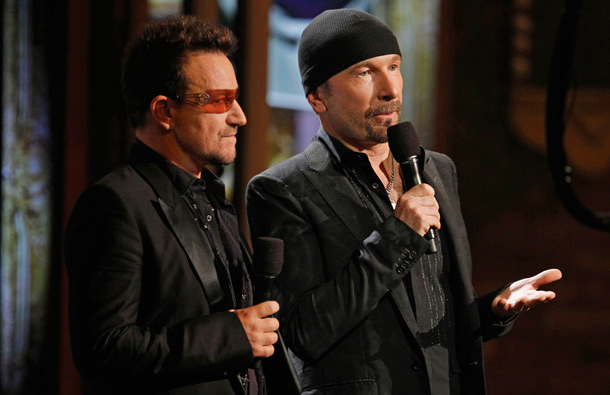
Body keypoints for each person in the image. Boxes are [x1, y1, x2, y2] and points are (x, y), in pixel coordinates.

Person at [246, 9, 562, 395]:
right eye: (365, 72)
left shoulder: (436, 169)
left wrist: (493, 311)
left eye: (394, 67)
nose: (390, 89)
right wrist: (397, 235)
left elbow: (422, 325)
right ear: (318, 98)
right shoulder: (283, 189)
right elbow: (304, 333)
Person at [64, 15, 279, 395]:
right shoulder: (115, 204)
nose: (239, 116)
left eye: (236, 97)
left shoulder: (214, 199)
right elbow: (103, 348)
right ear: (164, 112)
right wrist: (230, 335)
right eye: (219, 100)